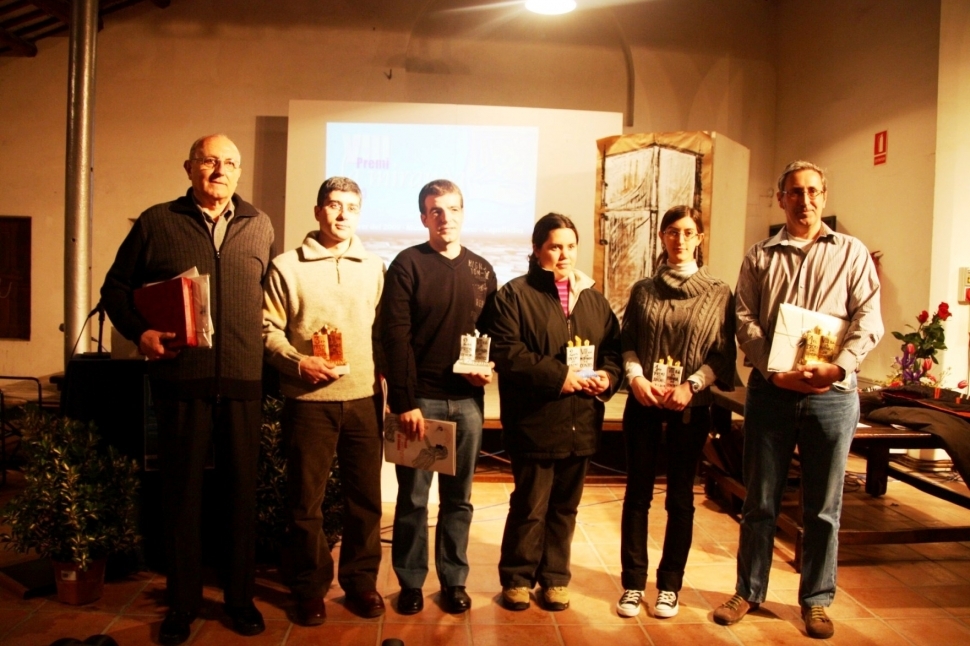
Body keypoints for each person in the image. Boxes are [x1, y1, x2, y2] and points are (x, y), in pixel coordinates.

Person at [100, 134, 275, 645]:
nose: (220, 170)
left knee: (240, 496)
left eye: (230, 163)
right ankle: (183, 603)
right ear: (189, 167)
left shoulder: (260, 225)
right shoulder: (157, 222)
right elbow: (115, 288)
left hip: (243, 381)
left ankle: (239, 599)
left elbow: (269, 299)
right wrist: (140, 333)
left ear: (239, 172)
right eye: (209, 161)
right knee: (182, 497)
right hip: (180, 380)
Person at [713, 161, 883, 639]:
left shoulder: (852, 253)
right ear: (781, 198)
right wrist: (773, 371)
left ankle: (817, 600)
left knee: (824, 507)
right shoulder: (759, 256)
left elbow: (869, 318)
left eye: (812, 191)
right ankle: (748, 590)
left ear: (823, 196)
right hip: (772, 394)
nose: (804, 200)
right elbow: (744, 318)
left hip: (833, 396)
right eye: (794, 192)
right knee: (760, 500)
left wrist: (839, 367)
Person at [262, 176, 386, 625]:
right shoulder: (286, 266)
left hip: (363, 399)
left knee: (365, 499)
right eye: (333, 205)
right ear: (318, 211)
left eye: (351, 207)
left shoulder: (373, 266)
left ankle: (361, 581)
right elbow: (267, 328)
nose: (342, 215)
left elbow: (380, 329)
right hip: (308, 400)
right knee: (305, 503)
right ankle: (310, 587)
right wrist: (298, 363)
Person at [490, 213, 622, 612]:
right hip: (534, 422)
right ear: (536, 250)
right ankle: (517, 578)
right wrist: (559, 377)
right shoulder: (514, 295)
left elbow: (613, 350)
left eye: (570, 246)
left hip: (581, 423)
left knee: (565, 508)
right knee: (530, 506)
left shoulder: (594, 299)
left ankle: (555, 578)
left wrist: (607, 377)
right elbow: (508, 353)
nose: (564, 254)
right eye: (554, 246)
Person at [380, 179, 497, 615]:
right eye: (435, 210)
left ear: (463, 213)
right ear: (423, 218)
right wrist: (403, 402)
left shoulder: (483, 270)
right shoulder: (407, 265)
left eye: (452, 209)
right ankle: (411, 582)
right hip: (420, 404)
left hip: (467, 404)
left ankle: (454, 580)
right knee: (413, 499)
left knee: (458, 499)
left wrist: (490, 367)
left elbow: (493, 336)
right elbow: (395, 337)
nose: (445, 217)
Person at [615, 205, 737, 619]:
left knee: (681, 498)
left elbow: (722, 355)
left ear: (699, 238)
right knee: (637, 495)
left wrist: (692, 385)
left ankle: (669, 586)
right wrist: (635, 378)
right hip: (644, 404)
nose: (679, 239)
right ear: (662, 237)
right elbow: (627, 342)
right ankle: (633, 584)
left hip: (691, 408)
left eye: (687, 232)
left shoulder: (718, 292)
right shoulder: (643, 290)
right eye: (671, 231)